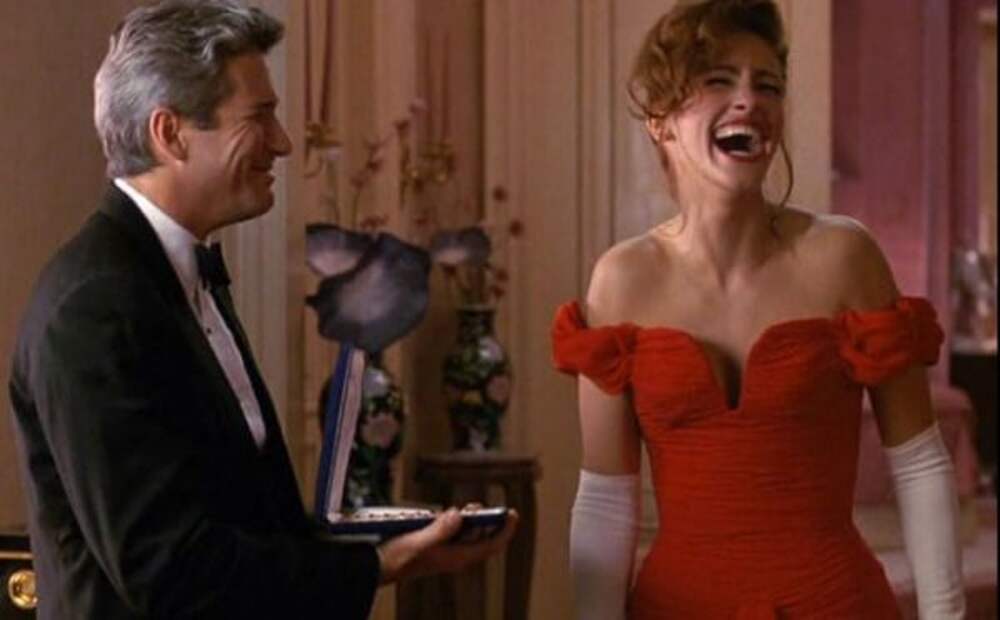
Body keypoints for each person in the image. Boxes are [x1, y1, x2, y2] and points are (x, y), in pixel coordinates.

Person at [8, 1, 515, 618]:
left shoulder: (179, 275)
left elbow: (246, 515)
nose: (282, 142)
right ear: (169, 134)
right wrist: (380, 567)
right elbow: (168, 570)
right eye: (260, 117)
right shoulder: (94, 307)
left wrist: (393, 543)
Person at [551, 0, 965, 618]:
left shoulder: (843, 256)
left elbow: (920, 464)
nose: (749, 100)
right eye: (719, 80)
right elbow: (606, 500)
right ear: (661, 122)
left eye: (767, 85)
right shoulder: (622, 280)